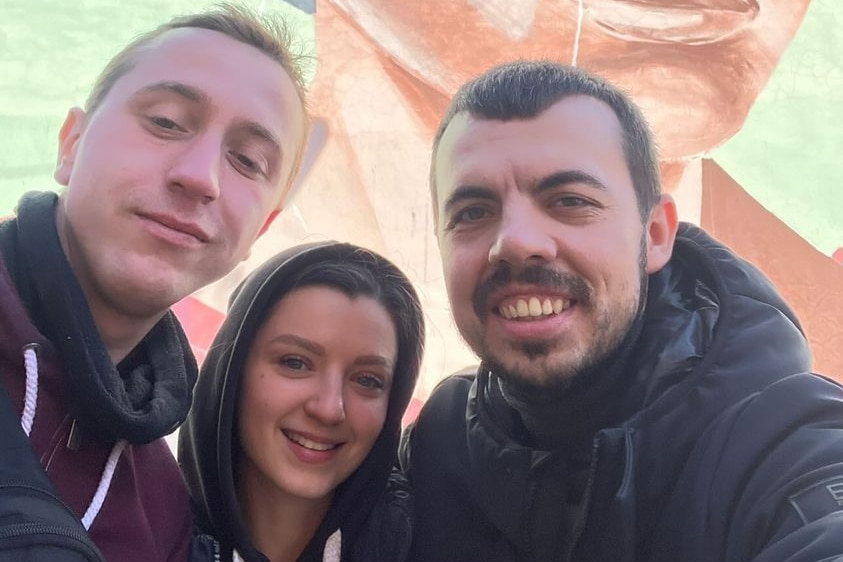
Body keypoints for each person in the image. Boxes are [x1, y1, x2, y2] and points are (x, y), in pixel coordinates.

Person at [399, 61, 843, 561]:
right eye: (472, 213)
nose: (515, 241)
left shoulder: (788, 445)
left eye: (569, 200)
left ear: (655, 235)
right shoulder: (437, 446)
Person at [0, 4, 309, 561]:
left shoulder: (164, 513)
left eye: (246, 160)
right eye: (165, 121)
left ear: (259, 230)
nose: (200, 176)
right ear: (71, 143)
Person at [179, 241, 424, 562]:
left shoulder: (429, 544)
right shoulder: (141, 534)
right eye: (295, 362)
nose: (328, 408)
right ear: (232, 372)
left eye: (367, 380)